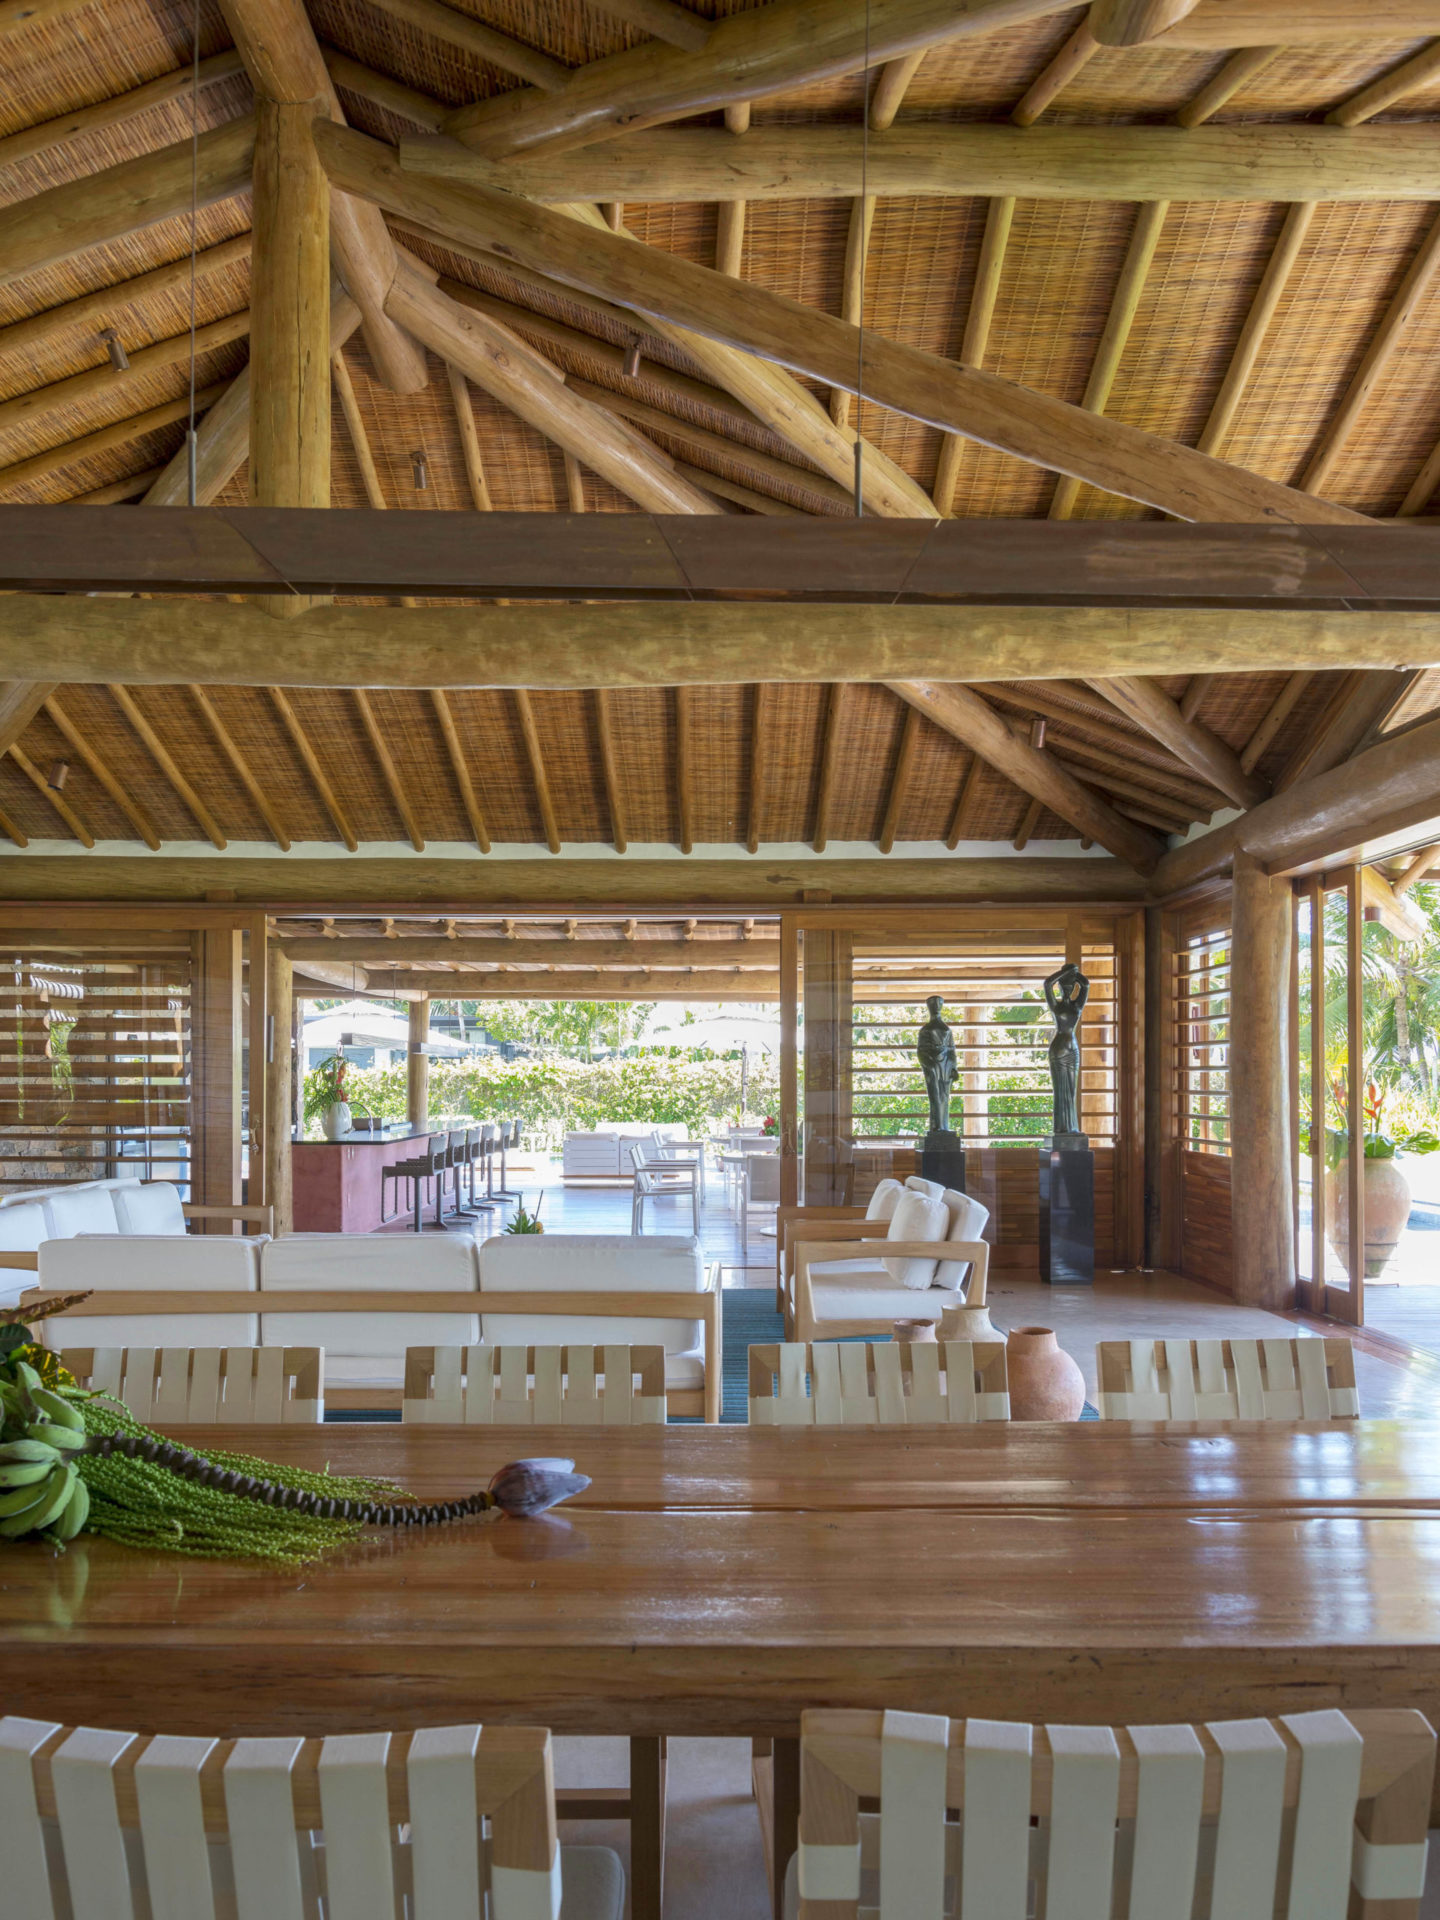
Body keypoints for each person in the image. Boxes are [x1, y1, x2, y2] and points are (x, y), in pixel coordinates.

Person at [1043, 962, 1089, 1138]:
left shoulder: (1077, 1005)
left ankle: (1072, 1128)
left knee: (1071, 1088)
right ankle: (1061, 1128)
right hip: (1059, 1048)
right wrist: (1065, 974)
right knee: (1061, 1090)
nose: (1067, 990)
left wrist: (1074, 973)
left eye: (1070, 987)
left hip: (1073, 1048)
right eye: (1064, 987)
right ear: (1060, 988)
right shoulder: (1056, 1006)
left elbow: (1086, 985)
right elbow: (1047, 984)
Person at [916, 995, 957, 1136]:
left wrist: (954, 1068)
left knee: (945, 1095)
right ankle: (936, 1125)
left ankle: (944, 1125)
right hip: (933, 1065)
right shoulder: (925, 1030)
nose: (937, 1007)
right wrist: (930, 1065)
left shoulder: (947, 1029)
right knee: (935, 1094)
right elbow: (921, 1051)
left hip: (946, 1065)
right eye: (934, 1005)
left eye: (939, 1004)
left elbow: (951, 1049)